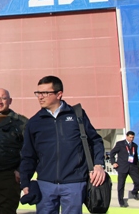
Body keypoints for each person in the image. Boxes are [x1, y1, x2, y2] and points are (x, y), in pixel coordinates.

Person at [20, 75, 106, 214]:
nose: (40, 97)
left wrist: (98, 164)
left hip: (74, 183)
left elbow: (95, 140)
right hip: (45, 185)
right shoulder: (34, 122)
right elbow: (28, 155)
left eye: (45, 93)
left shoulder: (77, 115)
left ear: (59, 94)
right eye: (38, 93)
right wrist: (25, 182)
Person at [110, 130, 139, 207]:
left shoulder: (135, 145)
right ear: (127, 136)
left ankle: (134, 192)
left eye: (133, 137)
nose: (131, 139)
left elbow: (136, 157)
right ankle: (121, 202)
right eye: (130, 137)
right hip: (122, 167)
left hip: (133, 167)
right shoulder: (120, 144)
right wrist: (113, 162)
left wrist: (138, 167)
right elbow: (112, 153)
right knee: (121, 185)